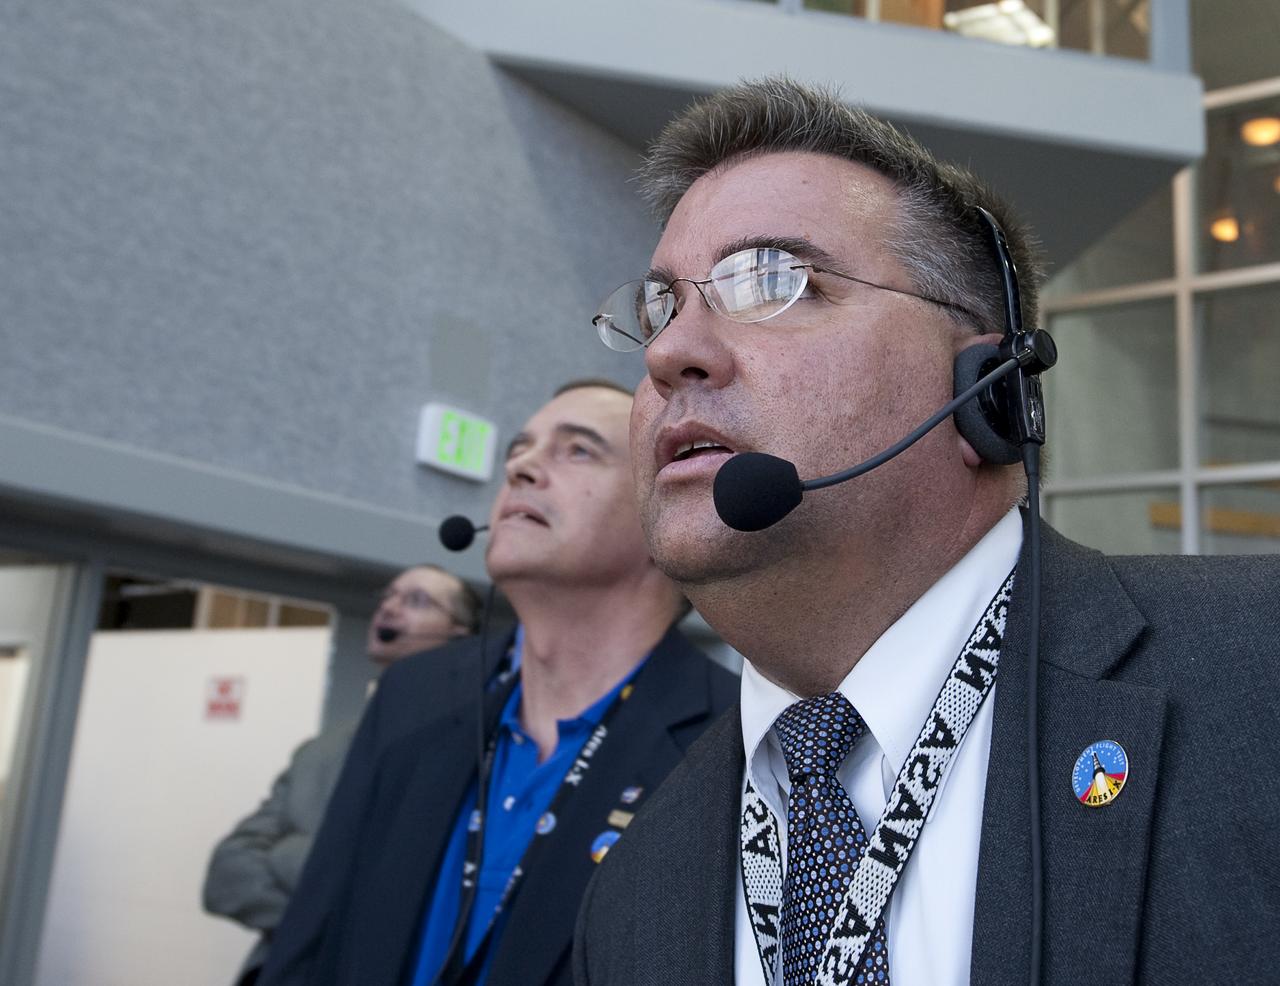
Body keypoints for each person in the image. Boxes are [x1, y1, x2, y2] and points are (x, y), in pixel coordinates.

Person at [574, 78, 1280, 986]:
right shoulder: (641, 880)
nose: (670, 353)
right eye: (662, 306)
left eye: (774, 279)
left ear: (983, 390)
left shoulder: (1257, 672)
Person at [257, 380, 738, 986]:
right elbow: (312, 939)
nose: (521, 467)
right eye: (520, 448)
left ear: (663, 514)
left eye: (578, 450)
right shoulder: (415, 694)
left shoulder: (733, 743)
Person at [204, 565, 480, 986]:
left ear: (459, 634)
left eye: (416, 600)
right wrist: (337, 925)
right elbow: (227, 874)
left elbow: (415, 895)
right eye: (387, 595)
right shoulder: (322, 750)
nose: (389, 607)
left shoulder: (474, 747)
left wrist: (288, 852)